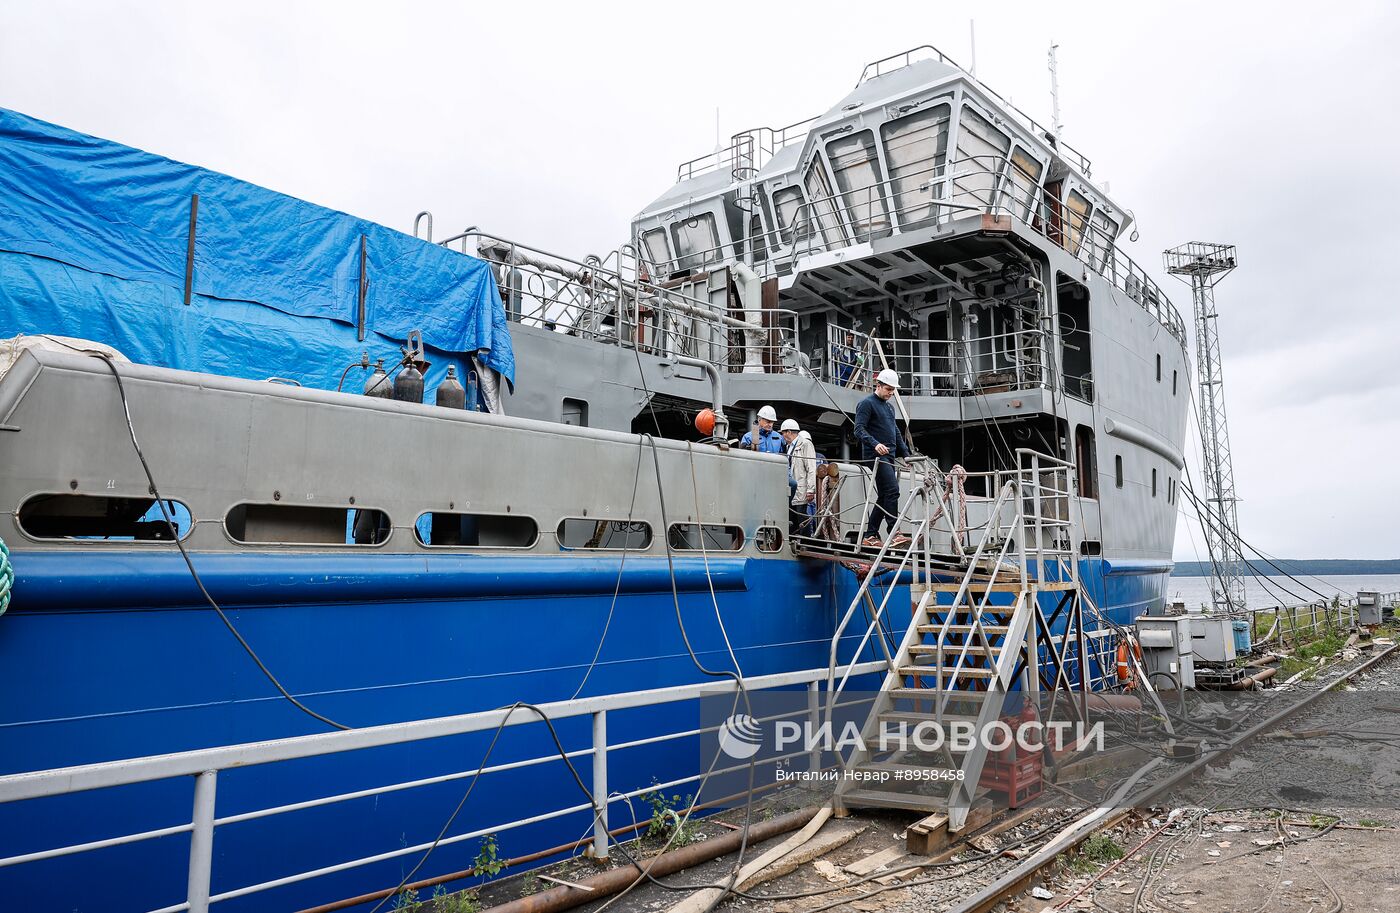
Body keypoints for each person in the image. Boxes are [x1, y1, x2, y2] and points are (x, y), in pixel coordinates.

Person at [854, 368, 910, 547]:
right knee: (893, 491)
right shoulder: (866, 404)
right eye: (888, 389)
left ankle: (871, 534)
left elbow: (895, 431)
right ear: (878, 385)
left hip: (890, 456)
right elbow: (858, 429)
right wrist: (875, 444)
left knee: (885, 495)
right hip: (876, 456)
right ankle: (894, 533)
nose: (891, 393)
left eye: (893, 390)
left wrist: (906, 455)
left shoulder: (889, 407)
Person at [781, 419, 816, 535]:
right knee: (793, 517)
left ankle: (806, 543)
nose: (783, 435)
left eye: (783, 433)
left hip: (801, 488)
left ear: (789, 432)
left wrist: (811, 489)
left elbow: (811, 468)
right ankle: (794, 540)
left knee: (802, 516)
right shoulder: (789, 446)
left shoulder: (805, 444)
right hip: (791, 489)